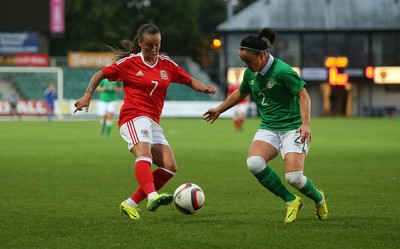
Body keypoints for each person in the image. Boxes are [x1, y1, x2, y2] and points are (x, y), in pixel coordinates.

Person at [74, 23, 216, 220]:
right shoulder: (130, 63)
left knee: (169, 167)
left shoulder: (166, 64)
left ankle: (130, 204)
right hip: (132, 116)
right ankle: (152, 197)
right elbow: (100, 74)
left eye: (157, 44)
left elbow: (189, 79)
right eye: (149, 45)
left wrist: (204, 88)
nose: (154, 49)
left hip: (152, 121)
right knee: (145, 154)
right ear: (140, 43)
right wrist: (88, 95)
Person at [203, 28, 328, 223]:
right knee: (254, 163)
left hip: (292, 128)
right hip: (269, 127)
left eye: (248, 61)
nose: (245, 65)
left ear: (261, 55)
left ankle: (319, 198)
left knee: (294, 178)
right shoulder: (250, 73)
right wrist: (219, 109)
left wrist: (306, 124)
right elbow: (240, 93)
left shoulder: (282, 71)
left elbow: (304, 95)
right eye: (243, 61)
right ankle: (291, 200)